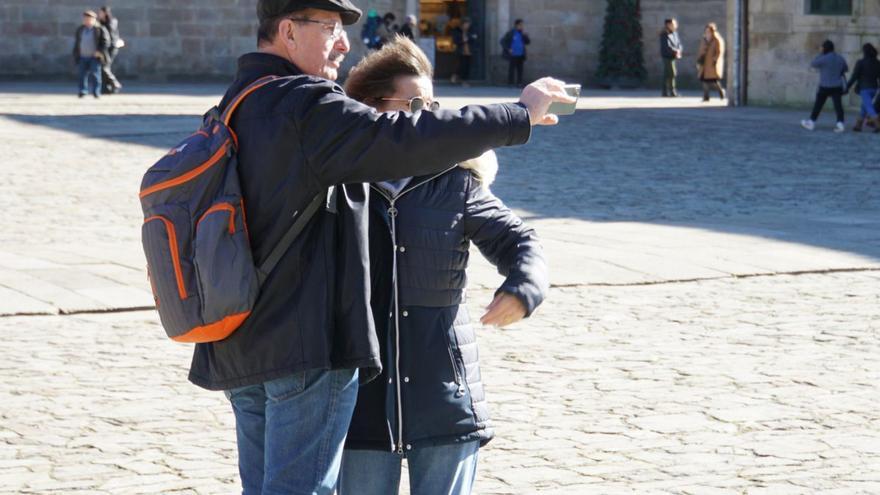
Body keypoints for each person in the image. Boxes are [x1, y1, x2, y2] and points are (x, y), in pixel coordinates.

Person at [201, 1, 574, 493]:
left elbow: (514, 237)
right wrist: (519, 112)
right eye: (330, 28)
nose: (343, 42)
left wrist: (526, 285)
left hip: (244, 343)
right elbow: (399, 139)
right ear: (288, 31)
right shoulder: (309, 111)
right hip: (304, 353)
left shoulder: (234, 106)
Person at [337, 35, 549, 495]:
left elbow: (519, 240)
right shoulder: (338, 184)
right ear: (370, 107)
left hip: (445, 395)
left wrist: (523, 289)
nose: (424, 115)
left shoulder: (456, 182)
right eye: (411, 102)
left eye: (429, 104)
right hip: (360, 402)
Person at [801, 39, 849, 133]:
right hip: (837, 85)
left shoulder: (823, 58)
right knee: (838, 106)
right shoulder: (840, 58)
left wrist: (821, 54)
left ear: (825, 48)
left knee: (818, 105)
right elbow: (845, 68)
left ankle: (811, 122)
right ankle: (840, 123)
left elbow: (813, 63)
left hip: (825, 86)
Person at [72, 10, 110, 99]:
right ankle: (82, 91)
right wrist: (76, 53)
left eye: (89, 19)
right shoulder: (80, 29)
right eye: (85, 19)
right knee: (82, 75)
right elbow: (77, 42)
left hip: (94, 57)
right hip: (82, 56)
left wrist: (99, 51)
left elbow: (106, 42)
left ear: (94, 19)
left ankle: (96, 92)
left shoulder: (99, 29)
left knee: (95, 75)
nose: (87, 21)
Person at [846, 43, 880, 132]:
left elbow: (854, 76)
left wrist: (847, 87)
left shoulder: (861, 62)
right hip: (874, 88)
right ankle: (858, 125)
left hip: (864, 88)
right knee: (864, 106)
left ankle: (877, 124)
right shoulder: (878, 63)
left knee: (868, 107)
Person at [696, 22, 725, 101]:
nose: (707, 33)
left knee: (714, 81)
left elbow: (719, 51)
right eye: (706, 31)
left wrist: (715, 59)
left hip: (712, 63)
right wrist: (699, 60)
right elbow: (701, 50)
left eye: (709, 31)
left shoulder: (717, 40)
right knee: (704, 80)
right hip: (704, 63)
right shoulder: (704, 39)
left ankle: (721, 92)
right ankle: (706, 96)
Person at [98, 6, 123, 94]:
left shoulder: (112, 22)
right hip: (104, 47)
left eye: (101, 12)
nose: (99, 14)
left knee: (104, 67)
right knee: (103, 67)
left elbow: (111, 34)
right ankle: (106, 88)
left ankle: (114, 83)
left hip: (112, 46)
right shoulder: (100, 22)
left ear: (105, 13)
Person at [501, 19, 530, 87]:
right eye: (520, 25)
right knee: (512, 69)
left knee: (520, 70)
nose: (522, 26)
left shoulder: (522, 33)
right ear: (516, 25)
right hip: (513, 54)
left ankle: (519, 83)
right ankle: (510, 83)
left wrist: (525, 35)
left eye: (522, 25)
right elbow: (502, 41)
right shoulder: (511, 33)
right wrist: (508, 49)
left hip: (521, 54)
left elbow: (528, 42)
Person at [451, 17, 478, 86]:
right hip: (461, 51)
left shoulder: (472, 30)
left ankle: (463, 80)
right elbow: (455, 40)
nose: (467, 25)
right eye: (466, 24)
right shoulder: (457, 30)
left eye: (468, 24)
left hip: (470, 52)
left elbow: (474, 37)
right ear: (462, 24)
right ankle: (456, 76)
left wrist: (467, 38)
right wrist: (463, 40)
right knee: (461, 66)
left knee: (467, 67)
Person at [660, 18, 682, 97]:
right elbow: (666, 46)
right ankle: (672, 91)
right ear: (668, 25)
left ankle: (665, 91)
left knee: (667, 73)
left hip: (673, 56)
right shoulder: (664, 34)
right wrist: (675, 51)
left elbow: (678, 43)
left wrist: (679, 50)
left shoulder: (674, 33)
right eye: (673, 24)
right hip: (667, 56)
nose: (675, 25)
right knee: (672, 73)